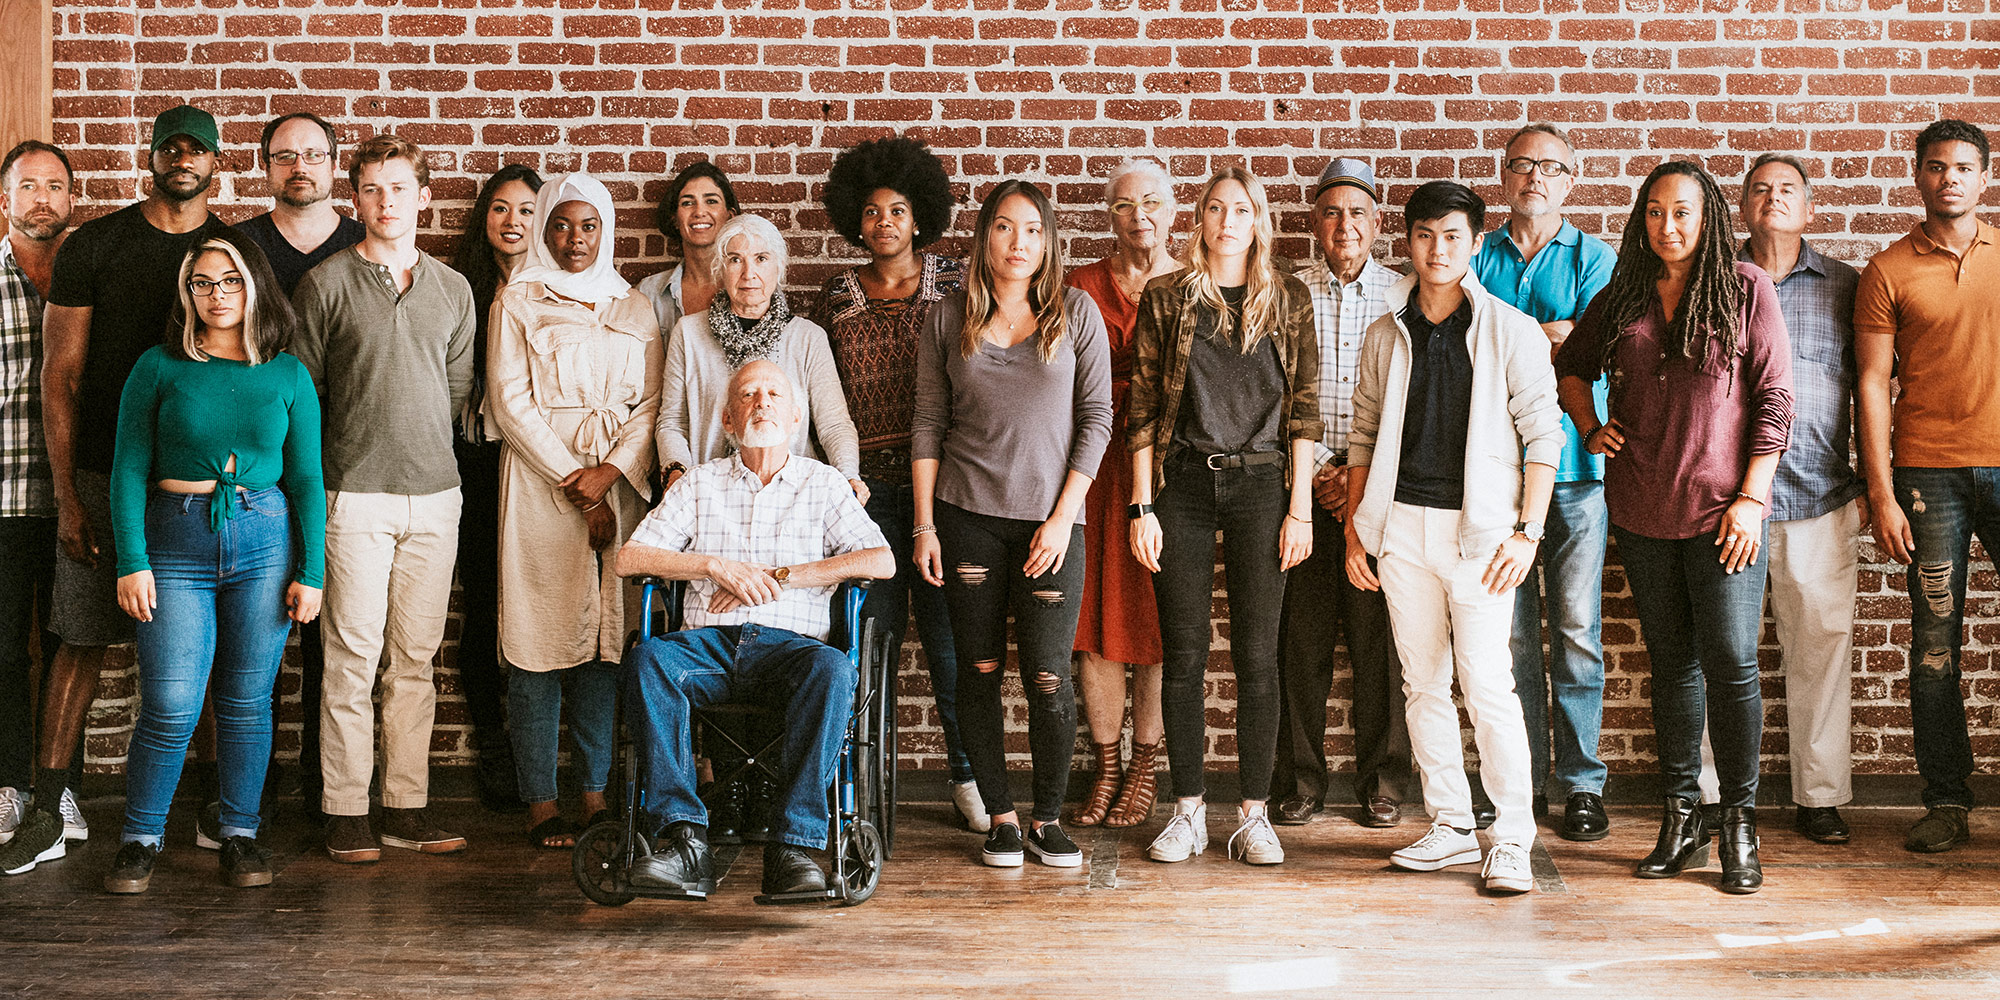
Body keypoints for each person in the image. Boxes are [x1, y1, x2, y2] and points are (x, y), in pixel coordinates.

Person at [1554, 161, 1793, 894]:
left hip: (1725, 516)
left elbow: (1776, 399)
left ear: (1709, 217)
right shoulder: (1624, 290)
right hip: (1642, 509)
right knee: (1674, 667)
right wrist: (1591, 426)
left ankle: (1739, 823)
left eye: (1683, 212)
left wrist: (1752, 498)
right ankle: (1682, 815)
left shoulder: (1746, 287)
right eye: (1655, 212)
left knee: (1731, 663)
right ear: (1641, 219)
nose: (1669, 226)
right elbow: (1570, 365)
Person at [5, 107, 231, 877]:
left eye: (196, 146)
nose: (182, 157)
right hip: (104, 477)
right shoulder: (95, 245)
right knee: (80, 638)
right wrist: (67, 494)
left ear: (215, 161)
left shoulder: (232, 252)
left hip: (199, 486)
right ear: (151, 156)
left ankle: (211, 804)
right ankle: (47, 807)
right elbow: (58, 378)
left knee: (201, 651)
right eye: (170, 144)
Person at [1346, 180, 1561, 896]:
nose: (1437, 249)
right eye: (1424, 235)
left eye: (1452, 236)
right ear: (1406, 242)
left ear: (1474, 244)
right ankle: (1451, 825)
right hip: (1401, 527)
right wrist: (1356, 532)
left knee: (1489, 684)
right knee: (1422, 683)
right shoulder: (1387, 331)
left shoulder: (1512, 330)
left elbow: (1543, 438)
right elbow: (1363, 437)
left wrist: (1528, 532)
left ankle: (1513, 838)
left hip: (1483, 535)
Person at [616, 360, 894, 900]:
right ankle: (684, 844)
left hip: (791, 652)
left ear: (796, 417)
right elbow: (631, 557)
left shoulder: (824, 483)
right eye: (747, 395)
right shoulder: (699, 484)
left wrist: (780, 577)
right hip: (709, 648)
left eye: (773, 394)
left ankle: (793, 848)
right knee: (649, 660)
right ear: (726, 418)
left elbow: (880, 560)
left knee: (835, 668)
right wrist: (713, 566)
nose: (760, 403)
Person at [100, 231, 325, 893]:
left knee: (247, 703)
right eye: (202, 282)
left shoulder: (286, 372)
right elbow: (127, 470)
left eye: (229, 281)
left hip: (264, 540)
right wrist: (130, 560)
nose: (217, 294)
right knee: (171, 704)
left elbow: (308, 479)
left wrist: (311, 571)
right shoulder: (158, 366)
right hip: (173, 541)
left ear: (254, 285)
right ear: (187, 292)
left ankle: (241, 833)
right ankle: (140, 838)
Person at [912, 179, 1112, 869]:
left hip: (1051, 529)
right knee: (980, 669)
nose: (1018, 242)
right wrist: (923, 527)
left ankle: (1047, 819)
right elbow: (928, 425)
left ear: (1049, 241)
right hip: (965, 520)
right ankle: (1001, 818)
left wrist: (1062, 520)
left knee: (1050, 678)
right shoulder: (947, 316)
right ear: (984, 237)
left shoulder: (1076, 313)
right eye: (1003, 227)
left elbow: (1098, 420)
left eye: (1031, 229)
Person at [291, 134, 476, 863]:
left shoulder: (453, 290)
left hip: (435, 497)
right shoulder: (325, 284)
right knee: (349, 658)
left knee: (416, 660)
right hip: (353, 495)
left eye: (399, 187)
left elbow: (456, 395)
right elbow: (305, 396)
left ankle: (405, 806)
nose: (385, 201)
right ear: (355, 198)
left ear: (423, 196)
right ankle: (345, 809)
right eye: (370, 188)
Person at [1126, 167, 1317, 867]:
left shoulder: (1287, 299)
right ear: (1199, 220)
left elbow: (1304, 410)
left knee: (1258, 658)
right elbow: (1142, 408)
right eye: (1216, 209)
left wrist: (1300, 509)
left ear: (1259, 221)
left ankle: (1255, 816)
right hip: (1182, 484)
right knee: (1183, 654)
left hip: (1264, 486)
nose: (1229, 220)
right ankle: (1187, 812)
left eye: (1242, 209)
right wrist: (1141, 505)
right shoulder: (1168, 296)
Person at [485, 173, 662, 848]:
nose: (574, 239)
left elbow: (648, 404)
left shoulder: (633, 306)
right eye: (560, 224)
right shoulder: (519, 299)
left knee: (602, 644)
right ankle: (541, 802)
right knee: (537, 643)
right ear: (542, 230)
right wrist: (573, 478)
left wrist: (611, 472)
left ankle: (594, 794)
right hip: (541, 483)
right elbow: (509, 400)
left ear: (606, 229)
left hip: (618, 480)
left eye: (588, 226)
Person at [811, 136, 982, 829]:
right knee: (864, 646)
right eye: (874, 212)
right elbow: (821, 396)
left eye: (899, 211)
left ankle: (970, 780)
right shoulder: (837, 297)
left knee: (949, 648)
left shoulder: (955, 284)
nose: (885, 223)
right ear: (858, 220)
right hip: (863, 499)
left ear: (921, 218)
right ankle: (854, 785)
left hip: (940, 494)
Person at [1855, 119, 2000, 855]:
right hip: (1927, 477)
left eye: (1964, 167)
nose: (1950, 178)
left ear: (1985, 177)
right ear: (1917, 176)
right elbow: (1872, 385)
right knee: (1935, 645)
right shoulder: (1888, 270)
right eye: (1937, 167)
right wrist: (1880, 492)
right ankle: (1947, 799)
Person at [1470, 124, 1617, 842]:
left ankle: (1582, 785)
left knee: (1578, 630)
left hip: (1578, 474)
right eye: (1522, 165)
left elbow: (1597, 350)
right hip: (1495, 480)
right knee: (1511, 638)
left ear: (1571, 180)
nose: (1535, 177)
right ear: (1505, 177)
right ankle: (1519, 784)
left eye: (1550, 168)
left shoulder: (1599, 258)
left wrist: (1521, 336)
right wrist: (1549, 335)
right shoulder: (1476, 253)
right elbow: (1468, 348)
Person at [226, 110, 366, 828]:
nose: (299, 167)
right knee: (258, 635)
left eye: (313, 154)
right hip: (257, 470)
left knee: (332, 634)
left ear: (335, 164)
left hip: (347, 465)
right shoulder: (239, 247)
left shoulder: (363, 245)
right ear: (265, 166)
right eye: (285, 157)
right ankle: (254, 785)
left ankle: (325, 783)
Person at [1270, 158, 1412, 831]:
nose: (1344, 224)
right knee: (1298, 644)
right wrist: (1322, 475)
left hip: (1380, 498)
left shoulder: (1405, 294)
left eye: (1357, 212)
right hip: (1301, 493)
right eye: (1331, 212)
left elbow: (1410, 406)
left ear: (1377, 223)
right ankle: (1299, 781)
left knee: (1381, 645)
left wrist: (1356, 484)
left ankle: (1383, 781)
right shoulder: (1284, 292)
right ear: (1312, 224)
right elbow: (1271, 393)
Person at [1733, 153, 1866, 846]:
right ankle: (1715, 798)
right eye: (1759, 189)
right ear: (1742, 207)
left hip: (1820, 496)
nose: (1773, 198)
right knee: (1719, 655)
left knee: (1821, 649)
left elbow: (1877, 391)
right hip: (1726, 505)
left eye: (1787, 190)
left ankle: (1819, 797)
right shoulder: (1712, 282)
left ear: (1811, 208)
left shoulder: (1847, 287)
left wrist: (1875, 484)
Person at [1063, 158, 1175, 830]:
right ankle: (1105, 766)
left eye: (1153, 202)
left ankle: (1145, 765)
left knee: (1156, 625)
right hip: (1095, 468)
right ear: (1111, 216)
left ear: (1173, 210)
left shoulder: (1192, 284)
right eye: (1127, 205)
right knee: (1093, 628)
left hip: (1166, 471)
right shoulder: (1080, 285)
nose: (1141, 215)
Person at [446, 163, 543, 813]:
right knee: (481, 602)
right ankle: (494, 742)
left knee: (538, 602)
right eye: (501, 209)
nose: (513, 221)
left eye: (528, 210)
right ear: (485, 220)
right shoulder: (460, 290)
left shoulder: (561, 291)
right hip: (478, 461)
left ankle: (544, 749)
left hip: (541, 466)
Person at [655, 213, 860, 490]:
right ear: (720, 268)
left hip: (791, 494)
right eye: (735, 259)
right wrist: (677, 474)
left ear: (779, 268)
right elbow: (672, 422)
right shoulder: (688, 334)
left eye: (761, 259)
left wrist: (848, 477)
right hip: (706, 494)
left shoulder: (807, 338)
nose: (748, 273)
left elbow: (834, 425)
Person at [0, 141, 75, 863]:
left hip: (68, 500)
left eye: (55, 186)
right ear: (6, 201)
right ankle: (7, 787)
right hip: (1, 498)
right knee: (0, 651)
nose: (42, 198)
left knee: (66, 646)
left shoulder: (84, 281)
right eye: (29, 187)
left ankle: (60, 790)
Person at [635, 162, 739, 339]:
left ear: (729, 216)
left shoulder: (750, 285)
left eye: (711, 201)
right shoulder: (649, 293)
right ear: (675, 219)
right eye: (688, 203)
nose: (699, 212)